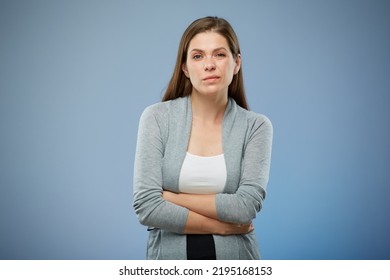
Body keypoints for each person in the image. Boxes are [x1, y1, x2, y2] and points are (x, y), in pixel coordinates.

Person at [133, 16, 273, 260]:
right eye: (198, 56)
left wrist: (171, 198)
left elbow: (245, 207)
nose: (209, 65)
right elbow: (147, 207)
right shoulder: (157, 118)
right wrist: (220, 226)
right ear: (185, 68)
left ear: (237, 63)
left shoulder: (256, 126)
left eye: (219, 54)